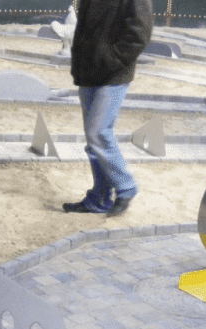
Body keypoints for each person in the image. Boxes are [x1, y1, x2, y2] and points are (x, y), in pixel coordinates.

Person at [63, 0, 153, 217]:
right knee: (93, 142)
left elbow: (140, 33)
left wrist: (110, 60)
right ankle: (99, 198)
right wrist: (80, 62)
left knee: (98, 132)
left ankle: (126, 186)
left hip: (113, 74)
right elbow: (84, 29)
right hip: (88, 71)